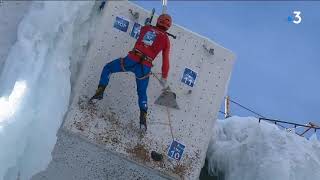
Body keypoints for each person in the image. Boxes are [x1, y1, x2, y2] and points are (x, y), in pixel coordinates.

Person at [90, 14, 172, 131]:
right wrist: (164, 77)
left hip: (131, 59)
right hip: (145, 67)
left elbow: (146, 29)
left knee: (108, 68)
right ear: (168, 26)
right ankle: (143, 120)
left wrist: (148, 23)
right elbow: (166, 60)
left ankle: (99, 92)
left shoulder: (147, 29)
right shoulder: (166, 40)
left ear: (158, 21)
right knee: (142, 93)